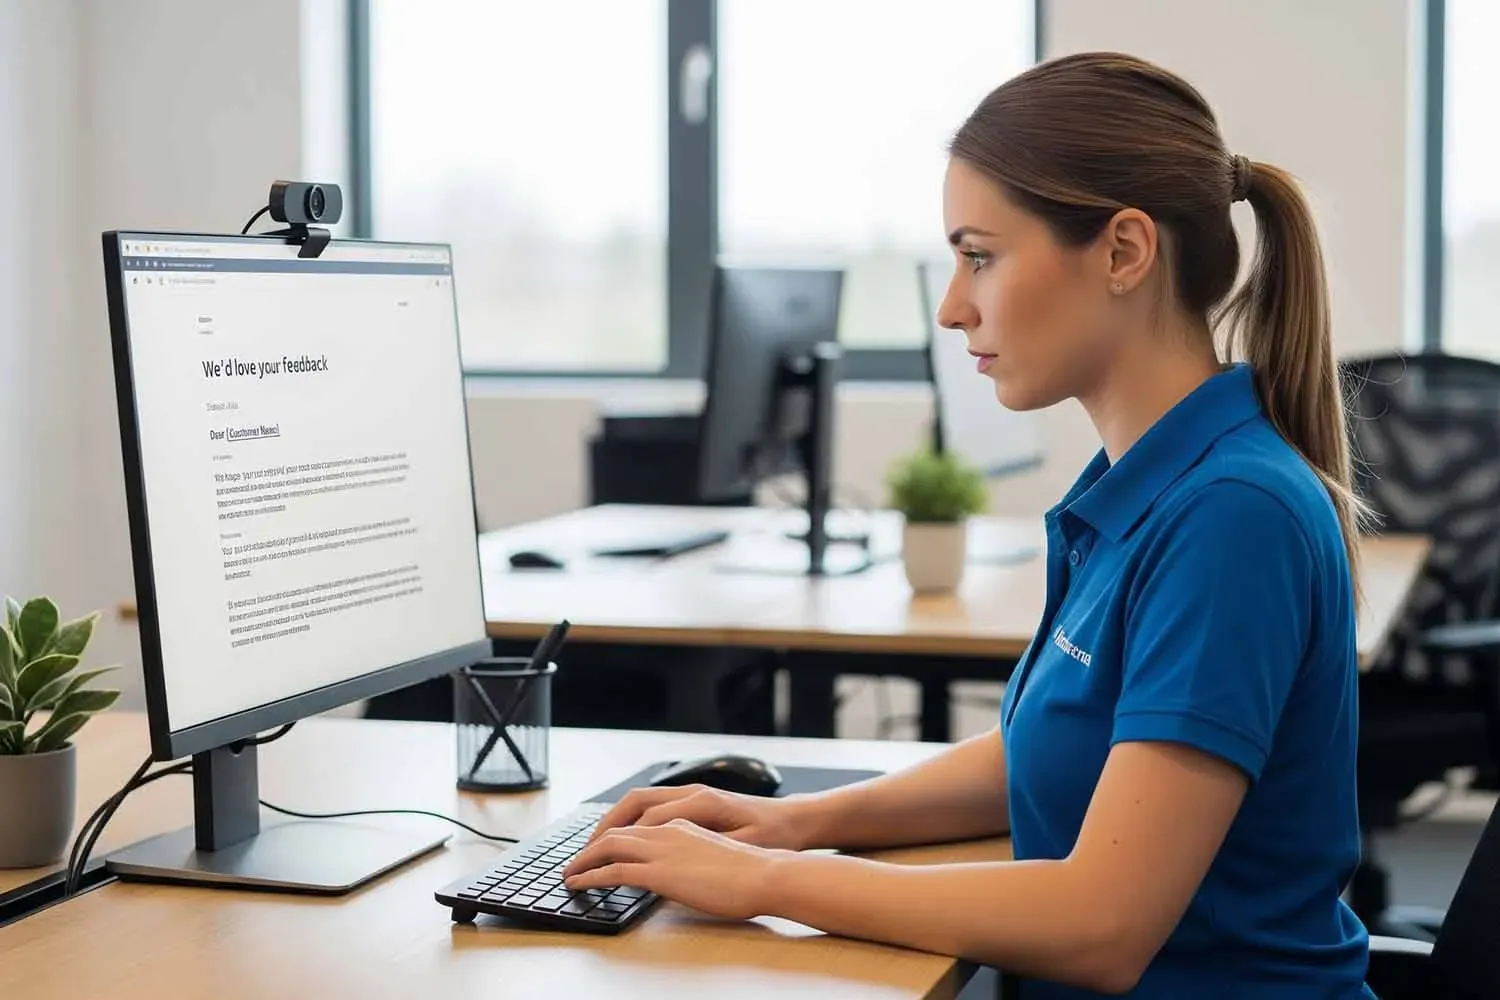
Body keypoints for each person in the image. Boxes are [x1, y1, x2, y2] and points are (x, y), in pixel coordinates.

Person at [563, 51, 1373, 999]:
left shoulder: (1232, 517)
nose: (953, 308)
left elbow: (1103, 926)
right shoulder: (1139, 481)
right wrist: (796, 823)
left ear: (1123, 251)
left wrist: (771, 884)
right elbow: (1043, 752)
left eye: (979, 256)